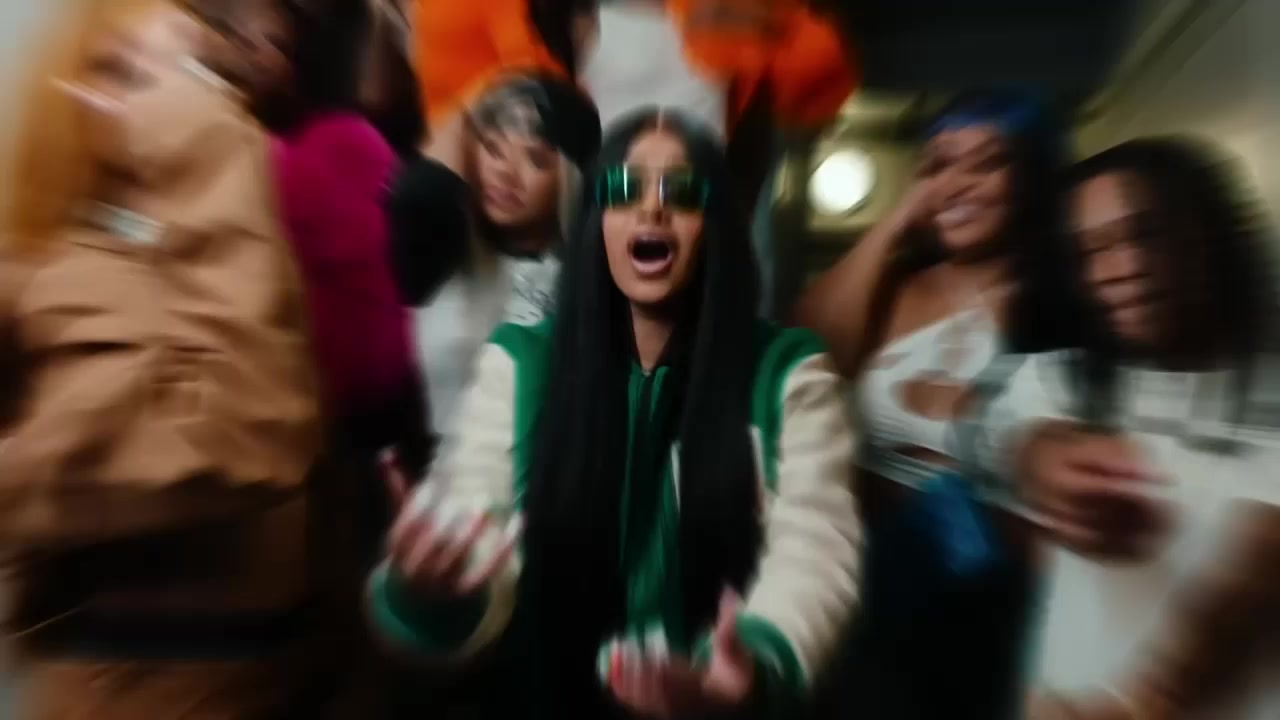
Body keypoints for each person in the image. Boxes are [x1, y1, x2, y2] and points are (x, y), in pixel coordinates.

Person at [366, 108, 862, 719]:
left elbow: (815, 546)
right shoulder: (521, 364)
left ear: (715, 226)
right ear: (596, 222)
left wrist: (750, 663)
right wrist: (436, 583)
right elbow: (480, 512)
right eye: (624, 190)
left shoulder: (786, 373)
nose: (651, 209)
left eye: (680, 191)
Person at [0, 1, 347, 717]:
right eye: (128, 70)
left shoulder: (220, 232)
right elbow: (248, 437)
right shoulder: (48, 276)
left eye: (199, 73)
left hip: (271, 677)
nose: (177, 99)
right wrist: (204, 142)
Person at [794, 89, 1074, 719]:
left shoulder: (1059, 298)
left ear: (1031, 177)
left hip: (988, 600)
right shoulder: (893, 286)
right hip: (861, 580)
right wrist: (896, 222)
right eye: (939, 164)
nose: (957, 183)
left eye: (987, 163)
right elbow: (807, 354)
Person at [991, 138, 1280, 720]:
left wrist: (1144, 703)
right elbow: (1019, 435)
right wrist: (1050, 465)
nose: (1121, 270)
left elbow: (1257, 569)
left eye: (1146, 234)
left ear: (1209, 234)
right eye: (1092, 250)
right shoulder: (1063, 380)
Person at [390, 72, 601, 442]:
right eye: (492, 149)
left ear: (571, 178)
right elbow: (418, 195)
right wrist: (470, 108)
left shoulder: (587, 279)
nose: (504, 171)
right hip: (437, 463)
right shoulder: (439, 250)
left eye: (535, 159)